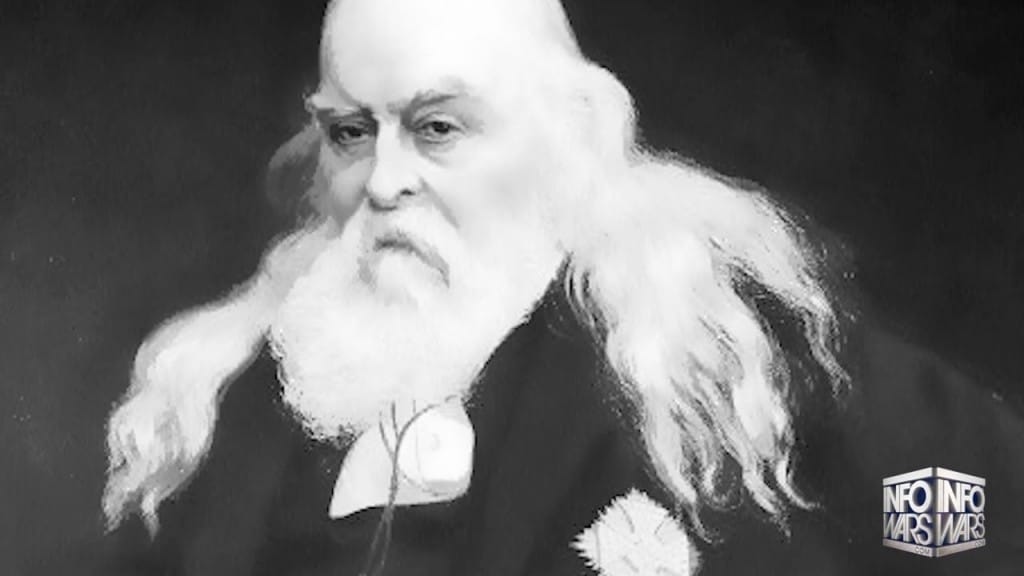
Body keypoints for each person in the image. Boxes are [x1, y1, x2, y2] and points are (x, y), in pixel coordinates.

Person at [99, 0, 1024, 574]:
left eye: (437, 128)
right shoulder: (238, 407)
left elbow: (979, 514)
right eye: (351, 133)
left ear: (568, 139)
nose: (382, 183)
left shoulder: (720, 355)